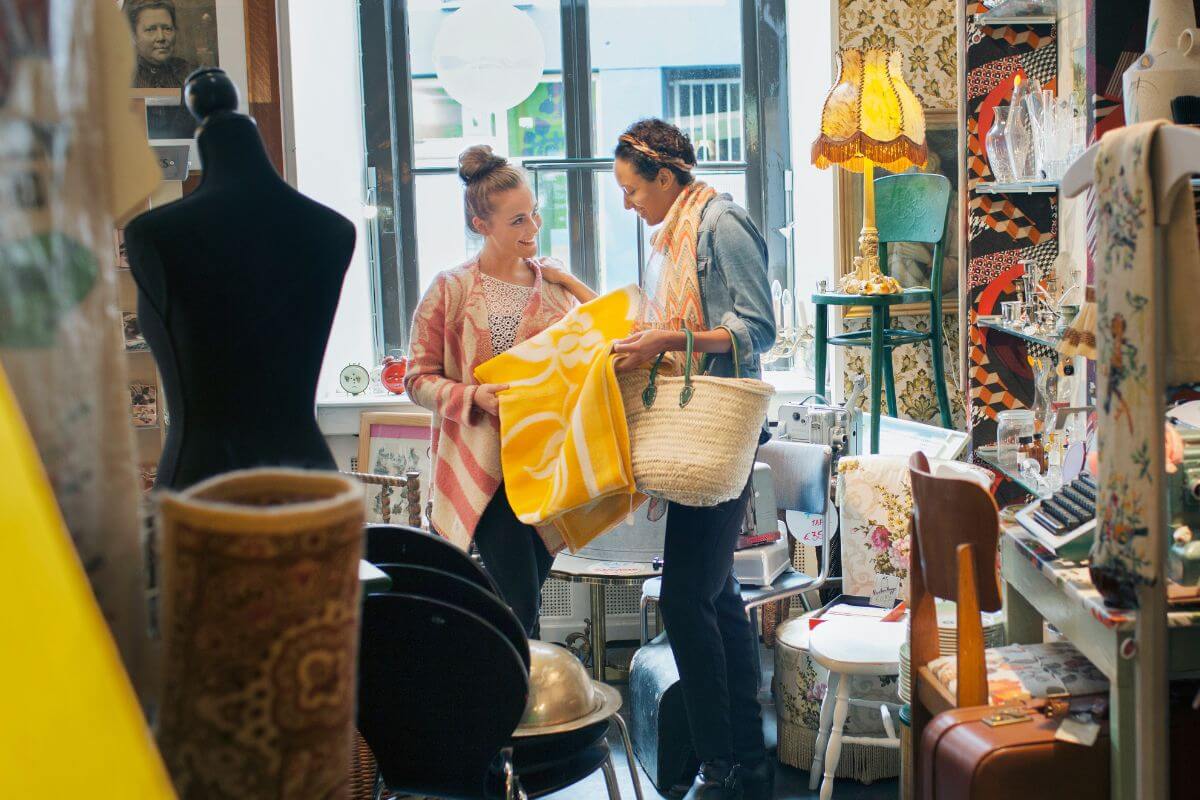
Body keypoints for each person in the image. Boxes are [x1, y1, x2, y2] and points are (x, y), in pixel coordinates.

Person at [611, 119, 776, 800]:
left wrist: (667, 339)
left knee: (686, 596)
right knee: (714, 592)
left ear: (667, 178)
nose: (628, 204)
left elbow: (758, 326)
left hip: (723, 428)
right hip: (699, 430)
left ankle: (723, 764)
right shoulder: (676, 234)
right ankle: (744, 754)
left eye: (632, 189)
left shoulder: (719, 225)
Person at [404, 145, 596, 637]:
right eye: (515, 222)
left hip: (546, 469)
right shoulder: (450, 289)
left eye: (533, 214)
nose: (532, 230)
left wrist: (572, 283)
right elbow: (417, 378)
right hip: (485, 467)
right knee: (520, 605)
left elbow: (607, 341)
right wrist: (473, 398)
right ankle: (524, 704)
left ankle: (515, 699)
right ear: (480, 225)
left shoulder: (552, 287)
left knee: (522, 604)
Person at [127, 1, 195, 89]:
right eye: (151, 30)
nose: (161, 37)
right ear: (134, 35)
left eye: (167, 29)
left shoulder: (190, 75)